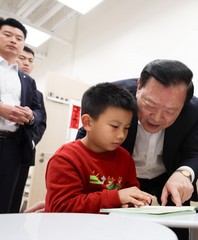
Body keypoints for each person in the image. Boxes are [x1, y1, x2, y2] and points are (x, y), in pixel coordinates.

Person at [27, 59, 198, 240]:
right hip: (113, 184)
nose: (157, 117)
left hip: (162, 183)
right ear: (138, 88)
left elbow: (194, 154)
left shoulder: (194, 110)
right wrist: (71, 198)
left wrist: (183, 175)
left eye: (170, 112)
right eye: (150, 105)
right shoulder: (115, 99)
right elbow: (87, 146)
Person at [45, 82, 154, 212]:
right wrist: (116, 197)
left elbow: (132, 194)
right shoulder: (66, 158)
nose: (121, 135)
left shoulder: (125, 158)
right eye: (114, 126)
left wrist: (132, 203)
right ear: (87, 122)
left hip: (110, 230)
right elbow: (62, 207)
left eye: (126, 128)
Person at [0, 18, 43, 213]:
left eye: (19, 38)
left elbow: (38, 111)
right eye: (7, 35)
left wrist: (31, 116)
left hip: (14, 146)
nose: (13, 40)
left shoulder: (27, 80)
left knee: (7, 203)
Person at [10, 45, 47, 213]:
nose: (26, 63)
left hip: (23, 149)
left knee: (14, 195)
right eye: (22, 58)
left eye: (30, 61)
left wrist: (30, 141)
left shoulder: (36, 93)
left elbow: (41, 122)